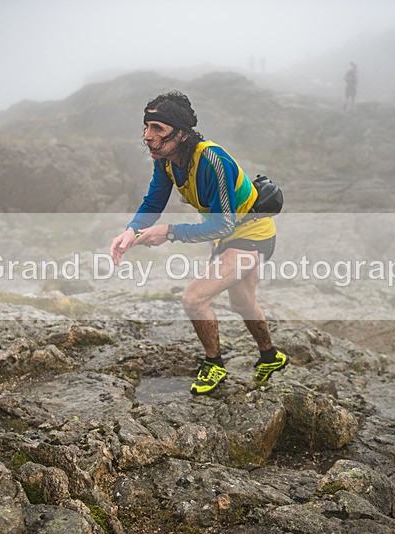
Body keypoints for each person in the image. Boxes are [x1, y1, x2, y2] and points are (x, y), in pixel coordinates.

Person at [109, 91, 289, 395]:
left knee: (194, 299)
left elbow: (223, 223)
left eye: (157, 129)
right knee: (241, 302)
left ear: (180, 134)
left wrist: (167, 232)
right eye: (146, 127)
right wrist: (132, 230)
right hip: (229, 234)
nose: (147, 137)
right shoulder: (167, 161)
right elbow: (153, 201)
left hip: (252, 233)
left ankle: (214, 364)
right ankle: (271, 356)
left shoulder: (211, 160)